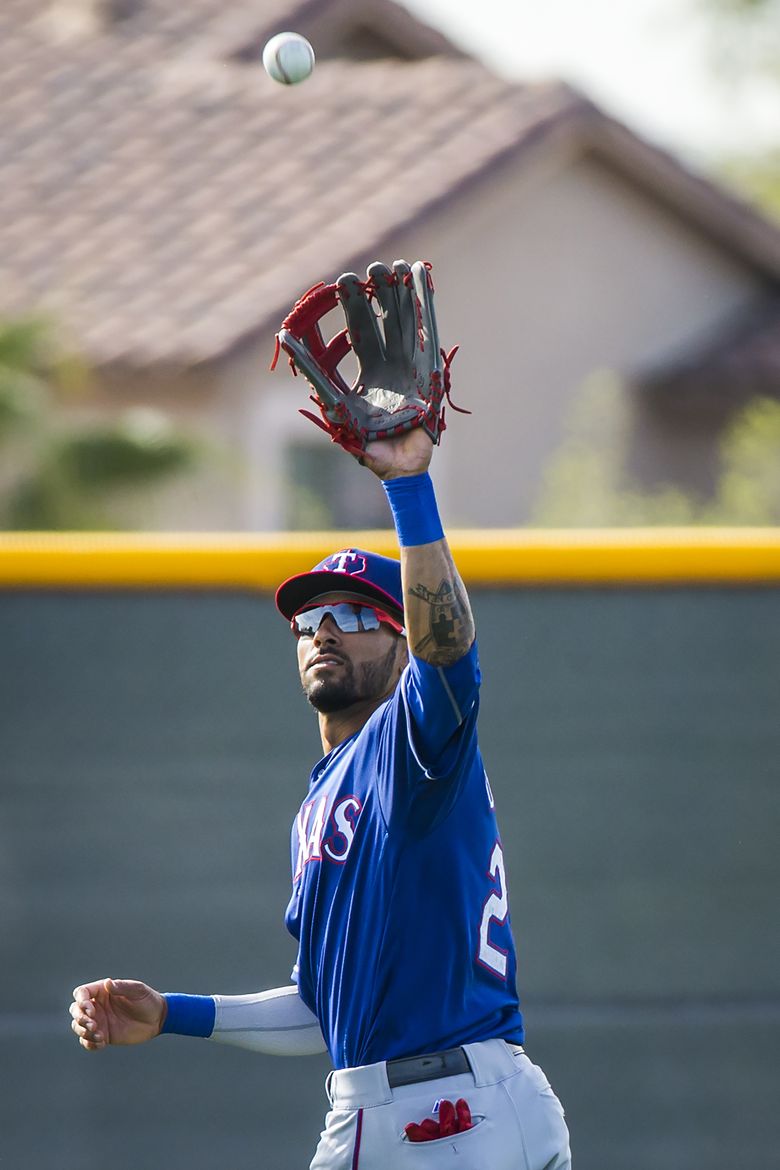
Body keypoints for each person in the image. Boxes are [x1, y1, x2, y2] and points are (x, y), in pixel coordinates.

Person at [69, 427, 571, 1169]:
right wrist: (174, 1014)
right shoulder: (321, 801)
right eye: (311, 619)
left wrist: (407, 487)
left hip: (441, 1119)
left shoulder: (411, 742)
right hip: (426, 1110)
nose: (328, 630)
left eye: (361, 615)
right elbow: (323, 1011)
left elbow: (451, 653)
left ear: (403, 644)